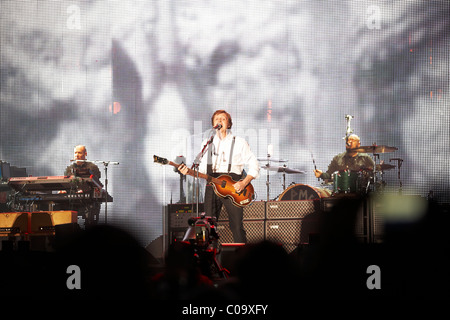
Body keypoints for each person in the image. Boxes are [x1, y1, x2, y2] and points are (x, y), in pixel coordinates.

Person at [179, 110, 260, 243]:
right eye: (217, 119)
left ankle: (241, 258)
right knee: (206, 226)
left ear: (228, 124)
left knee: (237, 226)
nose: (219, 121)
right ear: (213, 124)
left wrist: (244, 182)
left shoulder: (239, 142)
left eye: (223, 119)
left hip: (234, 186)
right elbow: (203, 169)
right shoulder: (208, 143)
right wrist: (189, 171)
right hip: (212, 184)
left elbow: (254, 164)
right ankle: (206, 257)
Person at [61, 145, 102, 227]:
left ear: (85, 154)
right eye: (75, 153)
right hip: (73, 199)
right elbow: (67, 182)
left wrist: (85, 189)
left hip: (88, 200)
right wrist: (64, 190)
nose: (77, 155)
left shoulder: (93, 167)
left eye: (79, 153)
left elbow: (96, 184)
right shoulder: (69, 169)